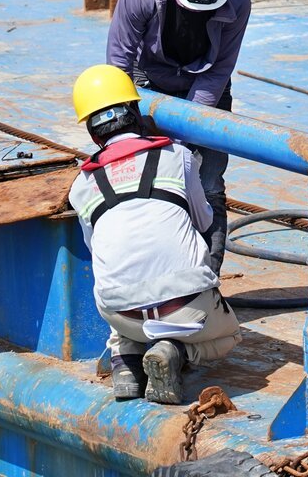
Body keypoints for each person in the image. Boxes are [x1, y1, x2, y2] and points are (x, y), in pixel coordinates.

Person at [68, 65, 241, 403]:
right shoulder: (178, 156)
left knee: (121, 280)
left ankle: (125, 363)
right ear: (136, 112)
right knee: (229, 336)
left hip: (122, 314)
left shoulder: (80, 185)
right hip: (186, 304)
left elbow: (94, 246)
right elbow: (204, 221)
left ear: (92, 133)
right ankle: (176, 352)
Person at [105, 0, 249, 269]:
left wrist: (187, 130)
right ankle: (150, 271)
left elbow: (218, 71)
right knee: (144, 175)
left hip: (206, 87)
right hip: (147, 81)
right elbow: (119, 61)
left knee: (208, 182)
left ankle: (204, 281)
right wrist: (127, 122)